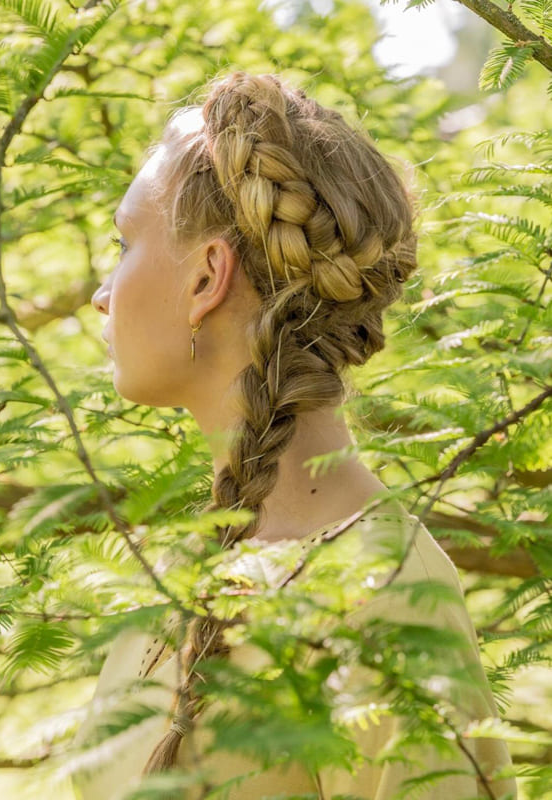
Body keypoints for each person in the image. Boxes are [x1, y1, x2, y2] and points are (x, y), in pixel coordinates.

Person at [74, 71, 516, 799]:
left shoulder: (388, 594)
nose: (101, 294)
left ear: (205, 279)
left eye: (123, 245)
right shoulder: (183, 568)